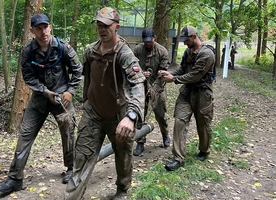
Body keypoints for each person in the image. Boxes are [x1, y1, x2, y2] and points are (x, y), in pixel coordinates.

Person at [0, 13, 83, 193]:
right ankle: (15, 178)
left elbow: (78, 69)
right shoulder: (28, 51)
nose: (43, 31)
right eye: (39, 28)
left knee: (68, 133)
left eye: (46, 27)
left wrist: (70, 91)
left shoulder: (63, 47)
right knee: (25, 135)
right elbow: (28, 76)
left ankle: (71, 168)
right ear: (32, 30)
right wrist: (45, 92)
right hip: (39, 100)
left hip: (62, 99)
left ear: (50, 27)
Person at [64, 7, 145, 200]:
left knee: (123, 155)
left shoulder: (125, 54)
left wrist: (131, 116)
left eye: (106, 25)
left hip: (119, 113)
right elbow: (84, 77)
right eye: (99, 25)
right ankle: (73, 197)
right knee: (82, 155)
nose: (102, 29)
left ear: (116, 26)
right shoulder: (90, 51)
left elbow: (138, 85)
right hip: (93, 112)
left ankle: (122, 191)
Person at [158, 25, 215, 171]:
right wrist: (168, 73)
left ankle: (204, 150)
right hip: (187, 93)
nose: (184, 43)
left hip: (203, 93)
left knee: (203, 124)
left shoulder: (207, 54)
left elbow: (195, 75)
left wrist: (174, 79)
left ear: (194, 36)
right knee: (179, 121)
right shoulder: (188, 52)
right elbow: (183, 69)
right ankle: (178, 158)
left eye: (186, 40)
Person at [132, 28, 170, 156]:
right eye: (145, 41)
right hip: (141, 88)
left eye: (150, 41)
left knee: (161, 115)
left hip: (157, 88)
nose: (148, 43)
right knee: (140, 117)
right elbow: (132, 68)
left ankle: (165, 135)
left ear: (154, 37)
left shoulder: (162, 52)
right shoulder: (137, 50)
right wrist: (141, 73)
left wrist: (153, 90)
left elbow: (163, 74)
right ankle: (140, 142)